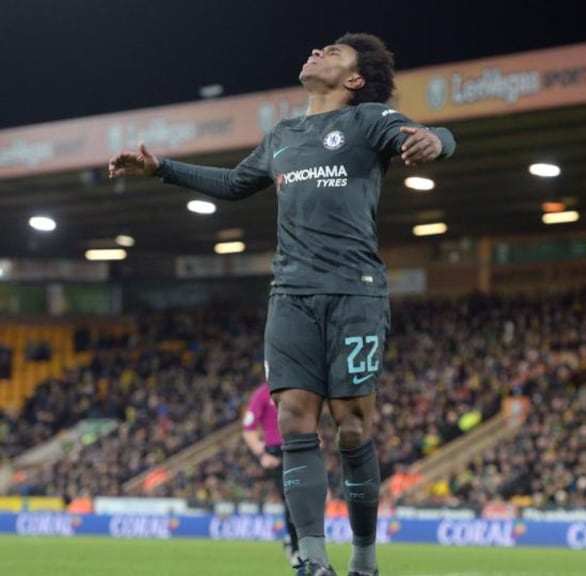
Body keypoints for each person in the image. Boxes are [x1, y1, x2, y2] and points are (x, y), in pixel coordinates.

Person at [109, 33, 456, 576]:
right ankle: (312, 561)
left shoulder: (368, 121)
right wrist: (161, 169)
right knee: (295, 417)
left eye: (334, 53)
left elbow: (430, 134)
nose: (318, 52)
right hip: (290, 294)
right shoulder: (283, 136)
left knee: (352, 425)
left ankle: (364, 559)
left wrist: (437, 142)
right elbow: (232, 183)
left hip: (354, 291)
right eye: (320, 49)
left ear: (355, 79)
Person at [242, 380, 300, 568]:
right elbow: (248, 429)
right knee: (291, 499)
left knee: (303, 500)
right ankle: (295, 546)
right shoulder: (262, 394)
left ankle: (295, 542)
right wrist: (262, 453)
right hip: (277, 453)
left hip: (299, 448)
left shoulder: (296, 390)